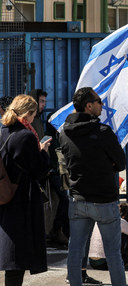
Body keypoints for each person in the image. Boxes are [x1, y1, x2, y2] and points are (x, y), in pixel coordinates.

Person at [60, 87, 127, 286]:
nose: (102, 105)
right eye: (99, 101)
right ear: (89, 106)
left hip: (78, 199)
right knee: (113, 254)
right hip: (104, 201)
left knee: (75, 251)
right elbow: (121, 163)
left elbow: (69, 161)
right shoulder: (103, 132)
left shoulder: (64, 133)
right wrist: (107, 165)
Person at [0, 95, 51, 286]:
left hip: (5, 195)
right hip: (22, 199)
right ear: (29, 114)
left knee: (10, 250)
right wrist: (43, 152)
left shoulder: (3, 131)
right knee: (17, 256)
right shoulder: (26, 136)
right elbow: (38, 170)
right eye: (34, 114)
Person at [28, 89, 69, 247]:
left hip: (46, 166)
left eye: (45, 101)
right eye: (41, 101)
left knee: (62, 199)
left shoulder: (39, 120)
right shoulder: (32, 120)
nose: (44, 105)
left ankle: (56, 231)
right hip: (39, 167)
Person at [89, 203, 128, 270]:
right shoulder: (120, 221)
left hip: (93, 262)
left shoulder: (99, 220)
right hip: (106, 262)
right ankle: (124, 261)